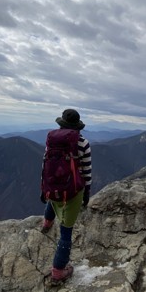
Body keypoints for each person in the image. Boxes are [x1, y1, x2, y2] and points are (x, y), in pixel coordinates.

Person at [40, 108, 92, 282]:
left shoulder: (51, 141)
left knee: (54, 198)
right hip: (72, 190)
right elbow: (86, 170)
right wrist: (86, 192)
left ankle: (47, 222)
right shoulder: (83, 143)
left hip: (51, 185)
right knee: (66, 232)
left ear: (61, 123)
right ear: (78, 127)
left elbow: (45, 164)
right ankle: (58, 271)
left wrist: (43, 188)